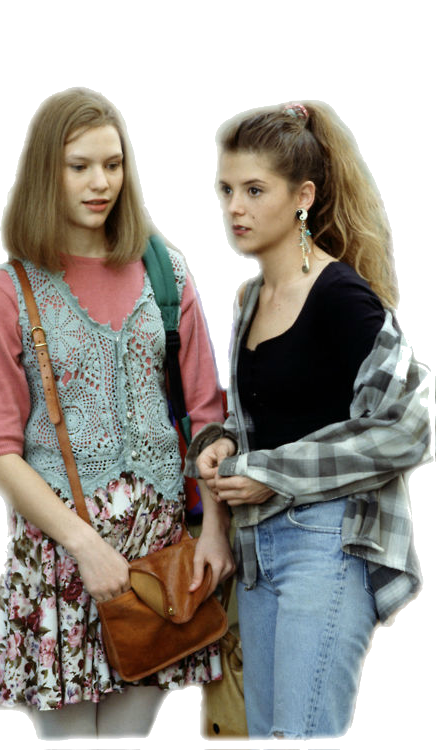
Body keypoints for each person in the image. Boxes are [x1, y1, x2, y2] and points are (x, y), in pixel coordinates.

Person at [0, 87, 235, 741]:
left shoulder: (167, 273)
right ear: (46, 172)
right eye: (80, 166)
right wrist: (85, 546)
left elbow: (207, 413)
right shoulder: (9, 290)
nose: (101, 183)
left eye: (113, 165)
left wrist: (215, 530)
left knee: (128, 738)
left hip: (158, 565)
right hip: (62, 564)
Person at [185, 101, 431, 740]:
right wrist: (221, 444)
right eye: (226, 190)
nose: (235, 208)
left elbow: (409, 426)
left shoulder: (343, 296)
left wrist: (271, 472)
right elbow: (269, 417)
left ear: (303, 197)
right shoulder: (248, 298)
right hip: (258, 552)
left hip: (327, 545)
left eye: (254, 190)